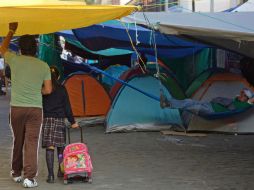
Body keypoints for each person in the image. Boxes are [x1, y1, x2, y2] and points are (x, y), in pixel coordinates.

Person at [0, 23, 52, 188]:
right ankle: (29, 178)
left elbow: (2, 49)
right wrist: (37, 91)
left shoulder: (14, 60)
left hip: (16, 108)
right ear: (35, 49)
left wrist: (11, 31)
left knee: (18, 140)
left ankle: (16, 173)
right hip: (35, 109)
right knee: (31, 142)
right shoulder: (43, 65)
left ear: (20, 48)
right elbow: (48, 90)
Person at [42, 66, 79, 183]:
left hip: (47, 120)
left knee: (50, 147)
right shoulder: (62, 89)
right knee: (61, 148)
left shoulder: (43, 89)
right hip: (59, 120)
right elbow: (67, 107)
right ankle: (61, 171)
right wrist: (73, 122)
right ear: (58, 77)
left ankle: (51, 176)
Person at [160, 88, 253, 115]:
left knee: (192, 107)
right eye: (242, 93)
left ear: (247, 99)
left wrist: (249, 100)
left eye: (244, 95)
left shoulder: (244, 105)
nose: (242, 95)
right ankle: (168, 102)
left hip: (212, 111)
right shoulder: (235, 99)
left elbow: (250, 101)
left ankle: (168, 104)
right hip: (209, 105)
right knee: (188, 101)